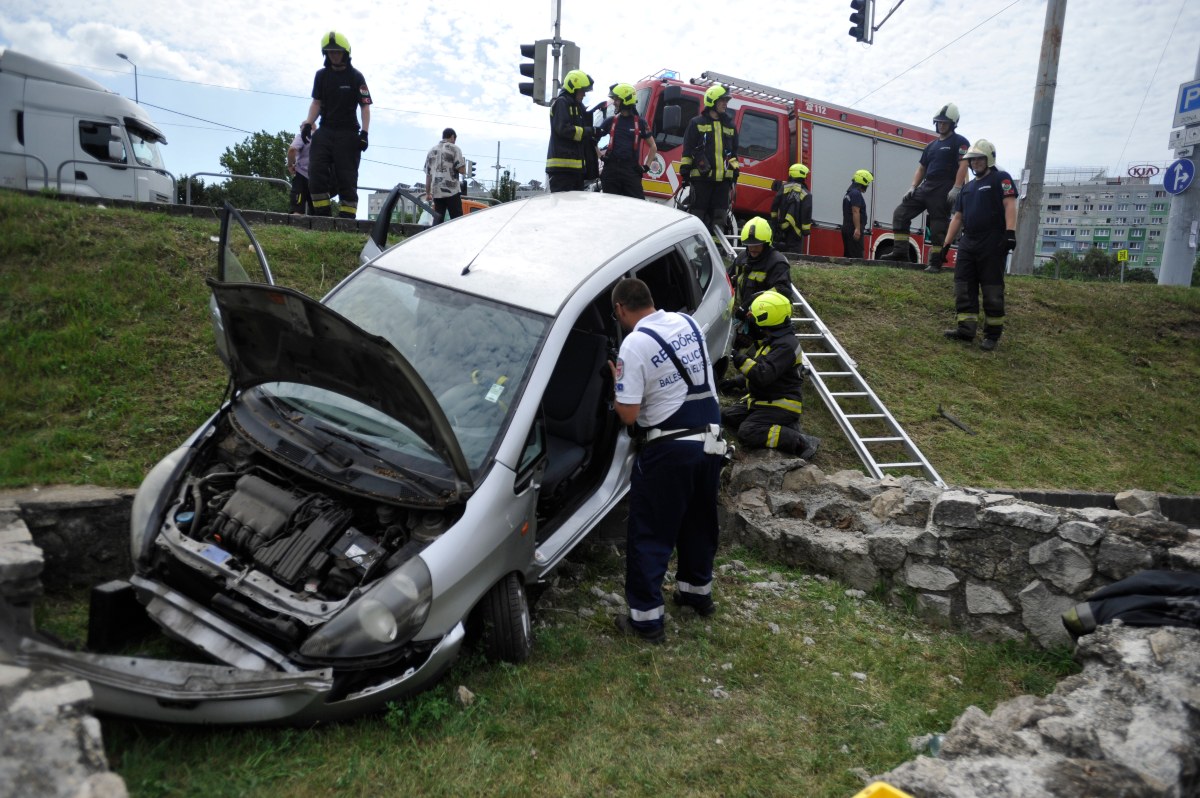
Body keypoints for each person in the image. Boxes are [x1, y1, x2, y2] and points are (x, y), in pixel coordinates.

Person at [609, 277, 726, 644]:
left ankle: (646, 622)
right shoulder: (687, 323)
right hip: (710, 441)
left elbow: (628, 414)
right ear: (651, 299)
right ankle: (696, 594)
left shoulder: (634, 344)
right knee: (699, 523)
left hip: (670, 449)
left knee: (651, 532)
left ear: (620, 309)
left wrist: (617, 384)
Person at [720, 291, 820, 460]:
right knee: (727, 416)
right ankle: (780, 426)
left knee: (747, 432)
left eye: (753, 316)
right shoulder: (774, 340)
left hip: (780, 405)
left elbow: (762, 375)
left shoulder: (786, 346)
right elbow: (764, 369)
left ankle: (799, 441)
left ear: (767, 319)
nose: (750, 319)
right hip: (763, 399)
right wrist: (735, 382)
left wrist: (738, 358)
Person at [940, 139, 1017, 351]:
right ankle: (965, 330)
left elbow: (1010, 204)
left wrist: (1010, 233)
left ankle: (992, 335)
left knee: (992, 289)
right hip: (968, 242)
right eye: (972, 160)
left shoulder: (1001, 178)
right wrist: (946, 245)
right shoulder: (967, 188)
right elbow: (957, 218)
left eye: (979, 159)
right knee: (963, 286)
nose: (975, 163)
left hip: (993, 241)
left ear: (989, 159)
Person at [881, 104, 969, 272]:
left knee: (938, 225)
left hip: (944, 187)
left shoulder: (960, 142)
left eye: (945, 123)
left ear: (953, 124)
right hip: (927, 186)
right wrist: (913, 187)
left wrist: (957, 187)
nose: (941, 125)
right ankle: (900, 252)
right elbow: (921, 168)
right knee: (900, 213)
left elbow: (963, 165)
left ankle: (935, 263)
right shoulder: (931, 146)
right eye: (939, 122)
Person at [300, 31, 371, 218]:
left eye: (337, 52)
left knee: (346, 176)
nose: (334, 55)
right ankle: (322, 215)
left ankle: (347, 218)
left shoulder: (356, 77)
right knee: (315, 171)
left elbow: (365, 106)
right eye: (330, 52)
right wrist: (308, 123)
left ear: (345, 52)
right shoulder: (321, 76)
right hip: (326, 129)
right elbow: (316, 102)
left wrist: (364, 133)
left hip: (348, 133)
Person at [680, 84, 740, 234]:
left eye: (726, 101)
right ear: (712, 101)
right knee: (698, 217)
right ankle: (697, 246)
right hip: (702, 180)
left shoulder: (730, 126)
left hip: (723, 184)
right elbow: (688, 150)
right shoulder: (696, 123)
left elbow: (734, 154)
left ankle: (716, 246)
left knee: (720, 219)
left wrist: (734, 174)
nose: (725, 104)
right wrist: (685, 172)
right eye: (722, 100)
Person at [729, 216, 793, 347]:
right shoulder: (742, 258)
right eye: (749, 244)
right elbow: (728, 277)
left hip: (765, 322)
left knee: (760, 353)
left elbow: (783, 290)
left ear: (766, 243)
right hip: (743, 318)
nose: (752, 248)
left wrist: (750, 303)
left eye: (757, 244)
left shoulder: (777, 263)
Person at [600, 83, 657, 199]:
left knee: (637, 205)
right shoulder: (610, 121)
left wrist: (646, 167)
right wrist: (601, 156)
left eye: (617, 99)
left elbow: (653, 146)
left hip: (631, 171)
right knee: (609, 206)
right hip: (611, 170)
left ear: (626, 100)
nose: (614, 103)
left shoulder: (640, 123)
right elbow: (593, 139)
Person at [546, 69, 598, 193]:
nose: (584, 94)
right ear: (573, 88)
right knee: (561, 204)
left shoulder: (577, 107)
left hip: (575, 170)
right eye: (582, 90)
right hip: (561, 170)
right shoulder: (561, 102)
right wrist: (589, 131)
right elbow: (563, 129)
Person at [424, 128, 467, 225]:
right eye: (454, 139)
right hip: (452, 191)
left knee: (438, 220)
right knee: (457, 220)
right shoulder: (455, 148)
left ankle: (435, 234)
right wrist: (462, 164)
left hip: (437, 191)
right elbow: (462, 170)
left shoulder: (431, 151)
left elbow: (428, 175)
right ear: (452, 137)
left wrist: (428, 193)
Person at [770, 163, 813, 253]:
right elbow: (806, 212)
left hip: (781, 227)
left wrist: (774, 222)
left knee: (778, 252)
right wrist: (806, 230)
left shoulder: (784, 187)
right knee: (794, 255)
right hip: (796, 232)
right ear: (802, 175)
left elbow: (775, 205)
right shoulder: (806, 193)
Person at [841, 169, 873, 259]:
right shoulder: (856, 194)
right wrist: (857, 229)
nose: (867, 186)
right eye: (867, 183)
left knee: (849, 256)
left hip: (848, 228)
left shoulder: (849, 193)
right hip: (853, 230)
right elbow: (855, 211)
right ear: (863, 181)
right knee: (856, 258)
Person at [286, 125, 313, 215]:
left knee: (297, 210)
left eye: (301, 125)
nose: (300, 127)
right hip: (317, 179)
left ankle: (295, 223)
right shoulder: (321, 139)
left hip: (301, 177)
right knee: (317, 212)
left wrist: (290, 165)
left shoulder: (303, 136)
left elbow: (292, 150)